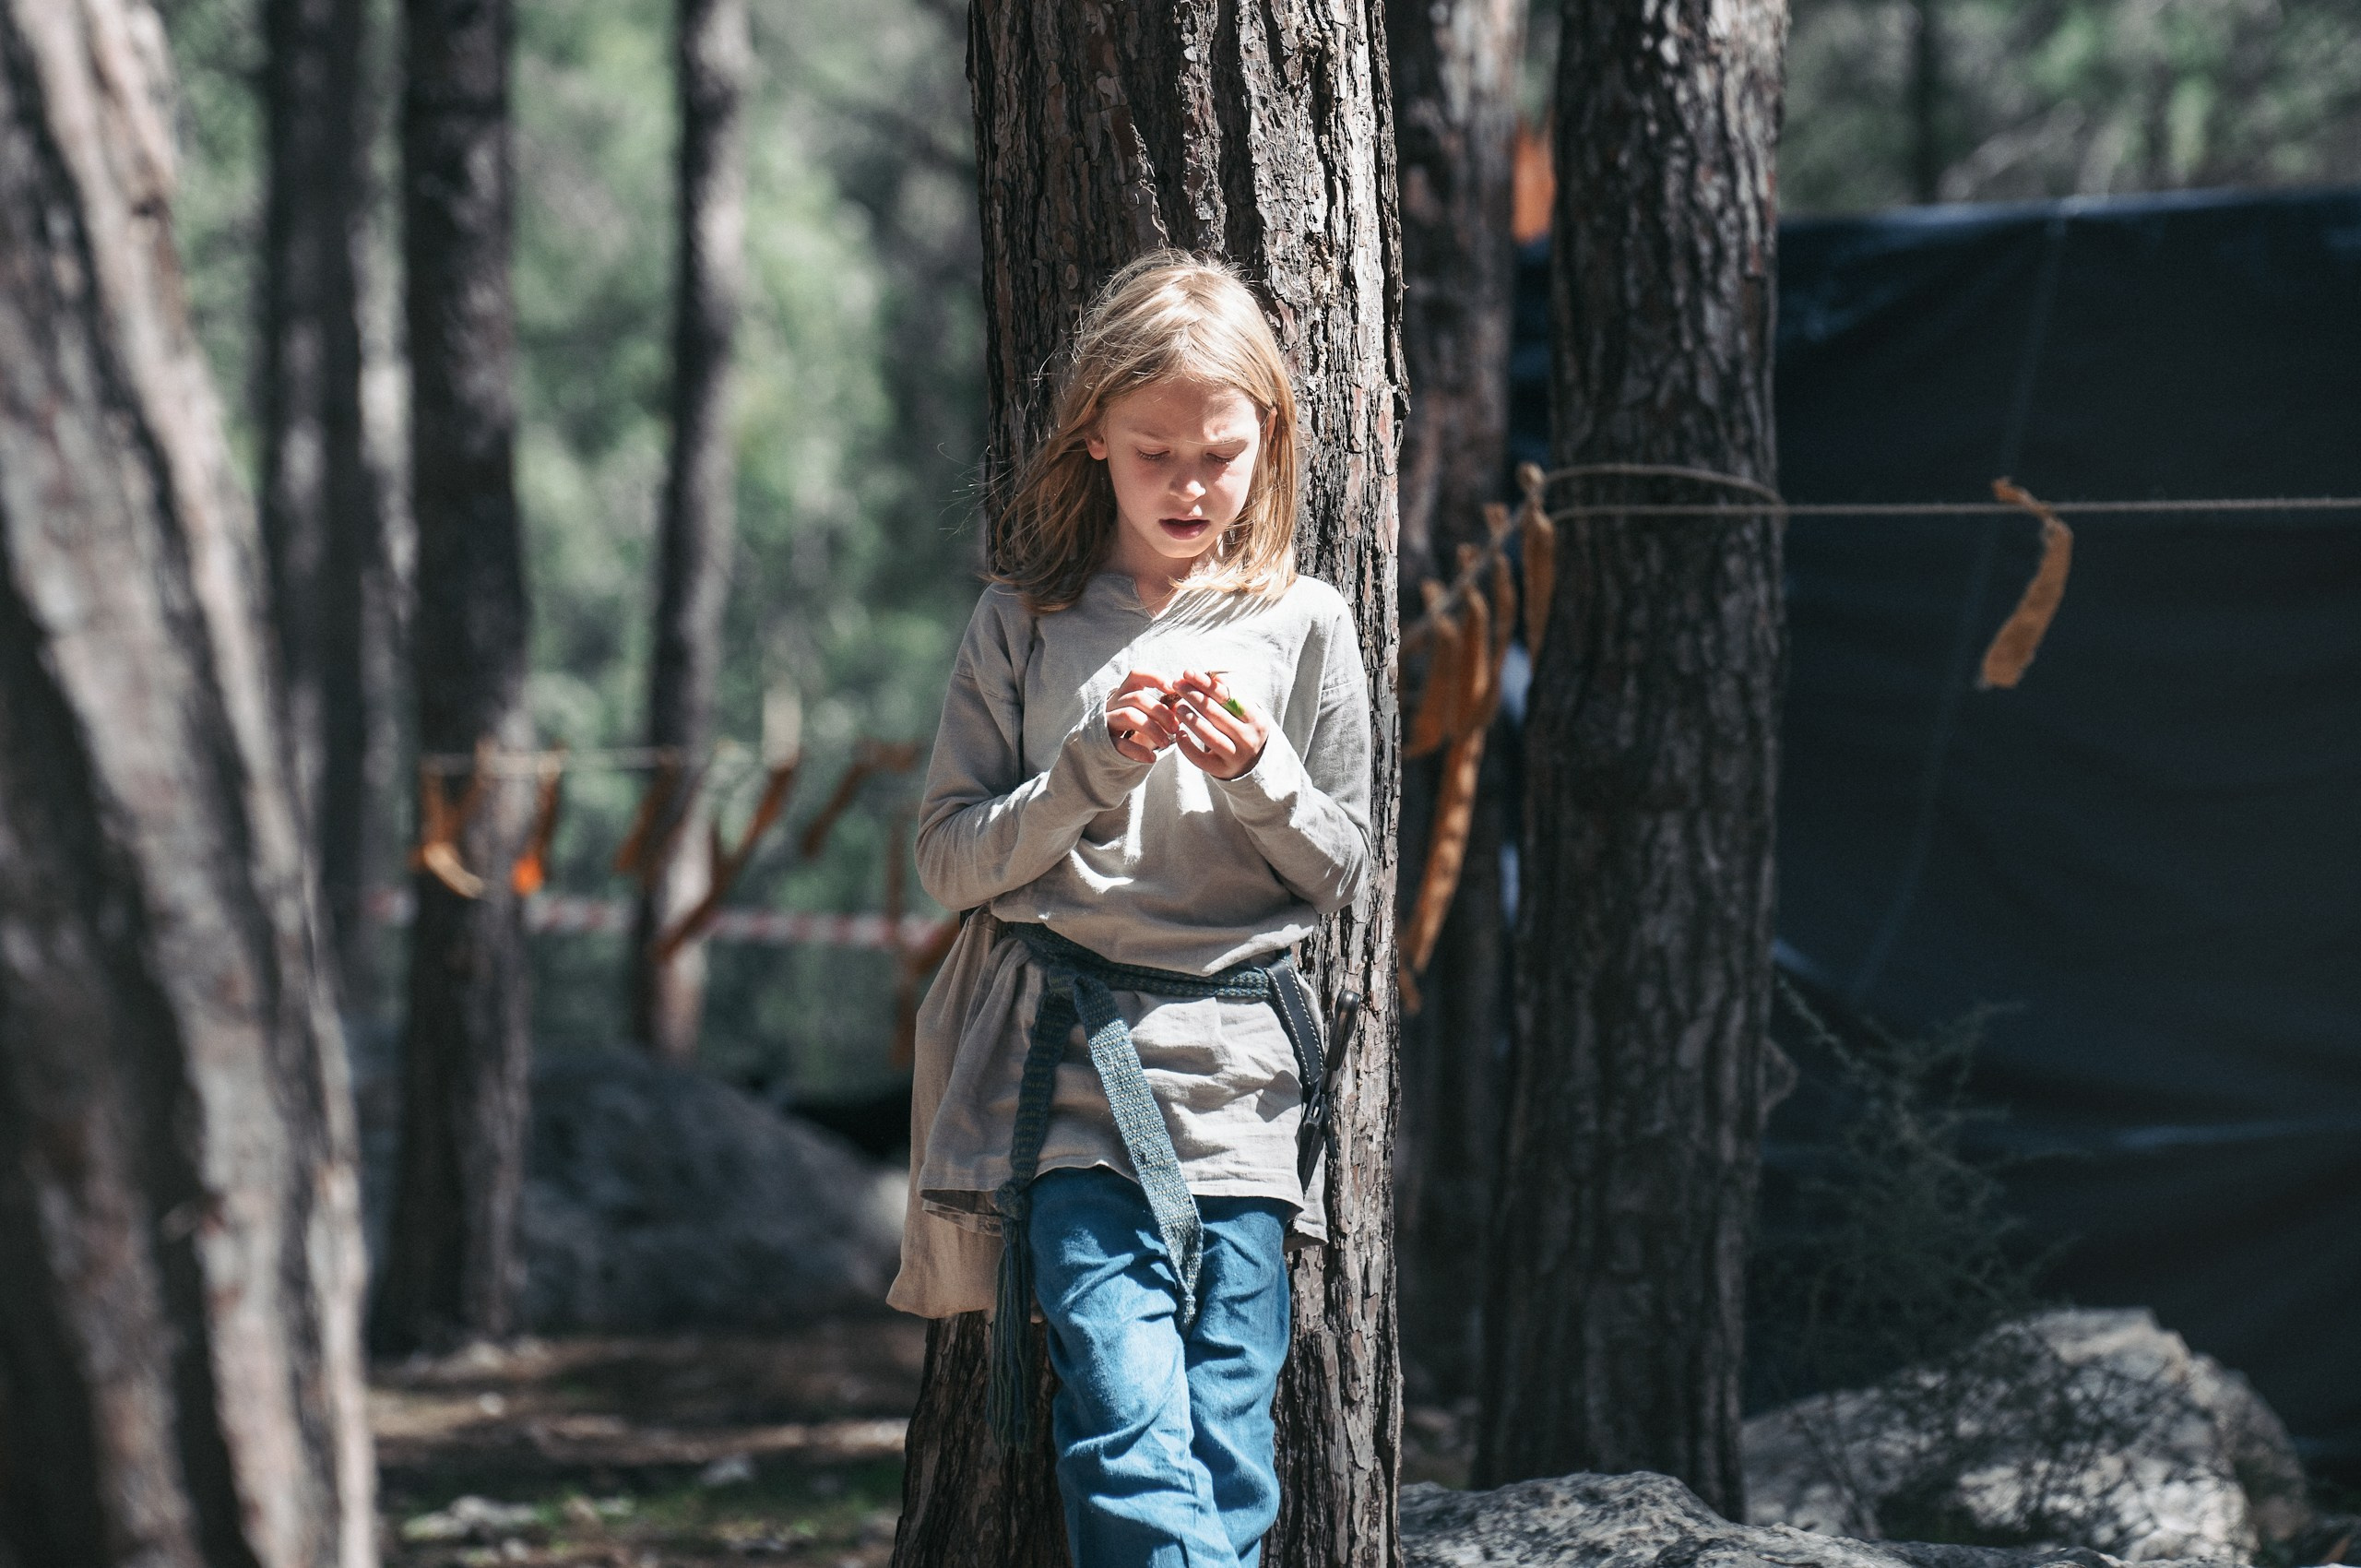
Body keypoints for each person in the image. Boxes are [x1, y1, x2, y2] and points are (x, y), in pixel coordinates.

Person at [887, 250, 1373, 1568]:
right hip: (1070, 1085)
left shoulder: (1306, 624)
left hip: (1247, 1097)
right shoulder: (1026, 622)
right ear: (1093, 434)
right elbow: (950, 858)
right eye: (1156, 451)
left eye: (1219, 453)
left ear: (1266, 437)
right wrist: (1091, 767)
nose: (1191, 485)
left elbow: (1337, 871)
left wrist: (1254, 769)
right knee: (1127, 1435)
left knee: (1225, 1442)